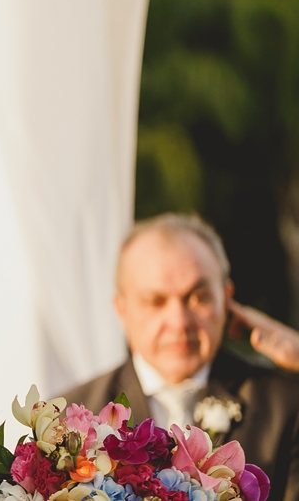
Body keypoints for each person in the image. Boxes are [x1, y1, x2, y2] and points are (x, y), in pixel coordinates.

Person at [63, 213, 299, 501]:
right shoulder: (73, 422)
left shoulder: (286, 405)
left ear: (226, 299)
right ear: (122, 310)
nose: (179, 321)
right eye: (155, 301)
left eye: (198, 298)